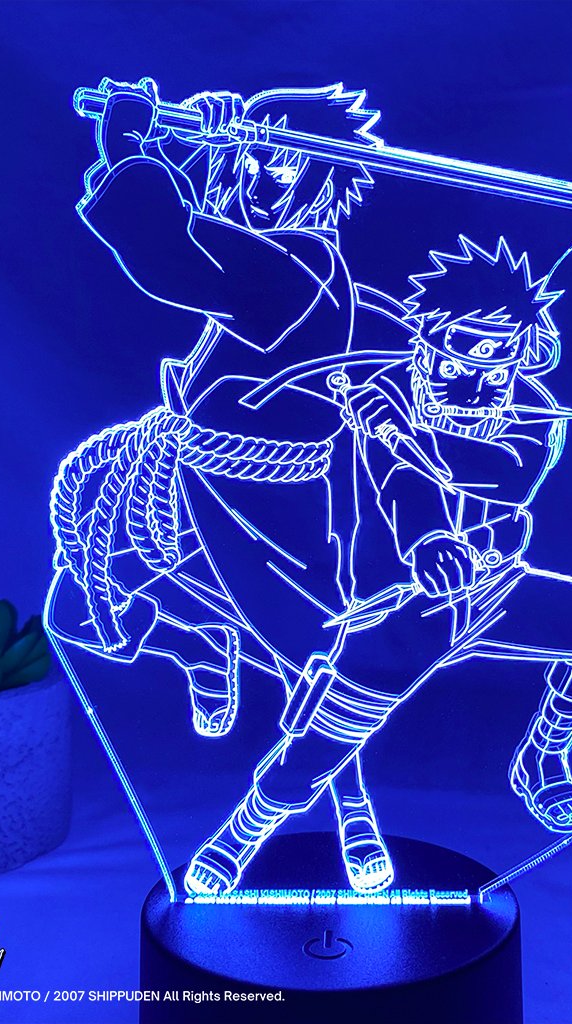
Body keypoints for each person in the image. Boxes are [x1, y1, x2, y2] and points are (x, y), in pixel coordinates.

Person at [184, 236, 572, 896]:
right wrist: (429, 540)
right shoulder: (381, 392)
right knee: (330, 734)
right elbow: (401, 483)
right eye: (456, 363)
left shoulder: (533, 414)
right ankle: (244, 831)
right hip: (400, 600)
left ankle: (543, 757)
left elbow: (505, 475)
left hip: (494, 586)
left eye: (496, 370)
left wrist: (408, 432)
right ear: (425, 344)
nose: (474, 387)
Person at [48, 79, 396, 890]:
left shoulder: (306, 269)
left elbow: (173, 260)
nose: (259, 177)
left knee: (314, 665)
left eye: (281, 164)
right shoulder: (271, 253)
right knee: (76, 613)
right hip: (185, 477)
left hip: (270, 508)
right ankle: (200, 641)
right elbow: (209, 246)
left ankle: (353, 816)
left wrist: (130, 148)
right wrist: (189, 152)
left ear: (326, 177)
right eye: (253, 160)